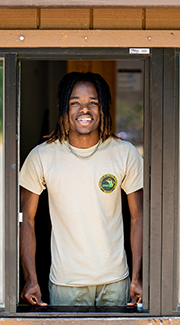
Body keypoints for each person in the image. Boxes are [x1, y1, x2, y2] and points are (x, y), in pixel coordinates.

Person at [19, 72, 143, 307]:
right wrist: (30, 279)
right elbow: (26, 220)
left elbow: (139, 218)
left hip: (116, 282)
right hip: (66, 284)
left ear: (103, 107)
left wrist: (137, 277)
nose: (84, 110)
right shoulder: (42, 156)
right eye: (75, 102)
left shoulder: (125, 153)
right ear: (64, 108)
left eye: (92, 103)